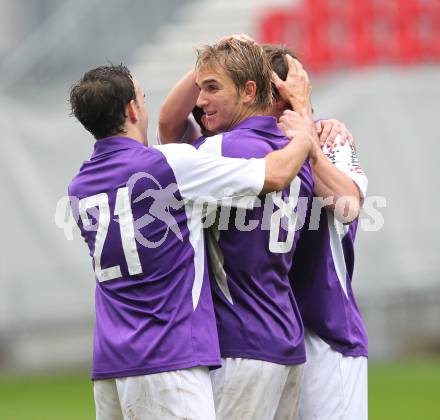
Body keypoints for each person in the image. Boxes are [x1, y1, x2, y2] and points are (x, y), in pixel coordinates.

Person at [67, 63, 316, 420]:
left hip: (110, 364)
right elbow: (274, 174)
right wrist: (305, 135)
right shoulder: (169, 165)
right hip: (169, 355)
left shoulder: (80, 185)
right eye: (142, 97)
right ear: (132, 110)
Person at [159, 37, 317, 420]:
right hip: (287, 341)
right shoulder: (299, 150)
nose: (200, 100)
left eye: (212, 88)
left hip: (241, 343)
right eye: (201, 88)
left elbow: (167, 127)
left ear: (249, 92)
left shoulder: (222, 151)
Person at [270, 46, 369, 419]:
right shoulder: (241, 143)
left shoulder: (329, 136)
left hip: (324, 331)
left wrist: (308, 139)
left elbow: (347, 205)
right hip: (264, 335)